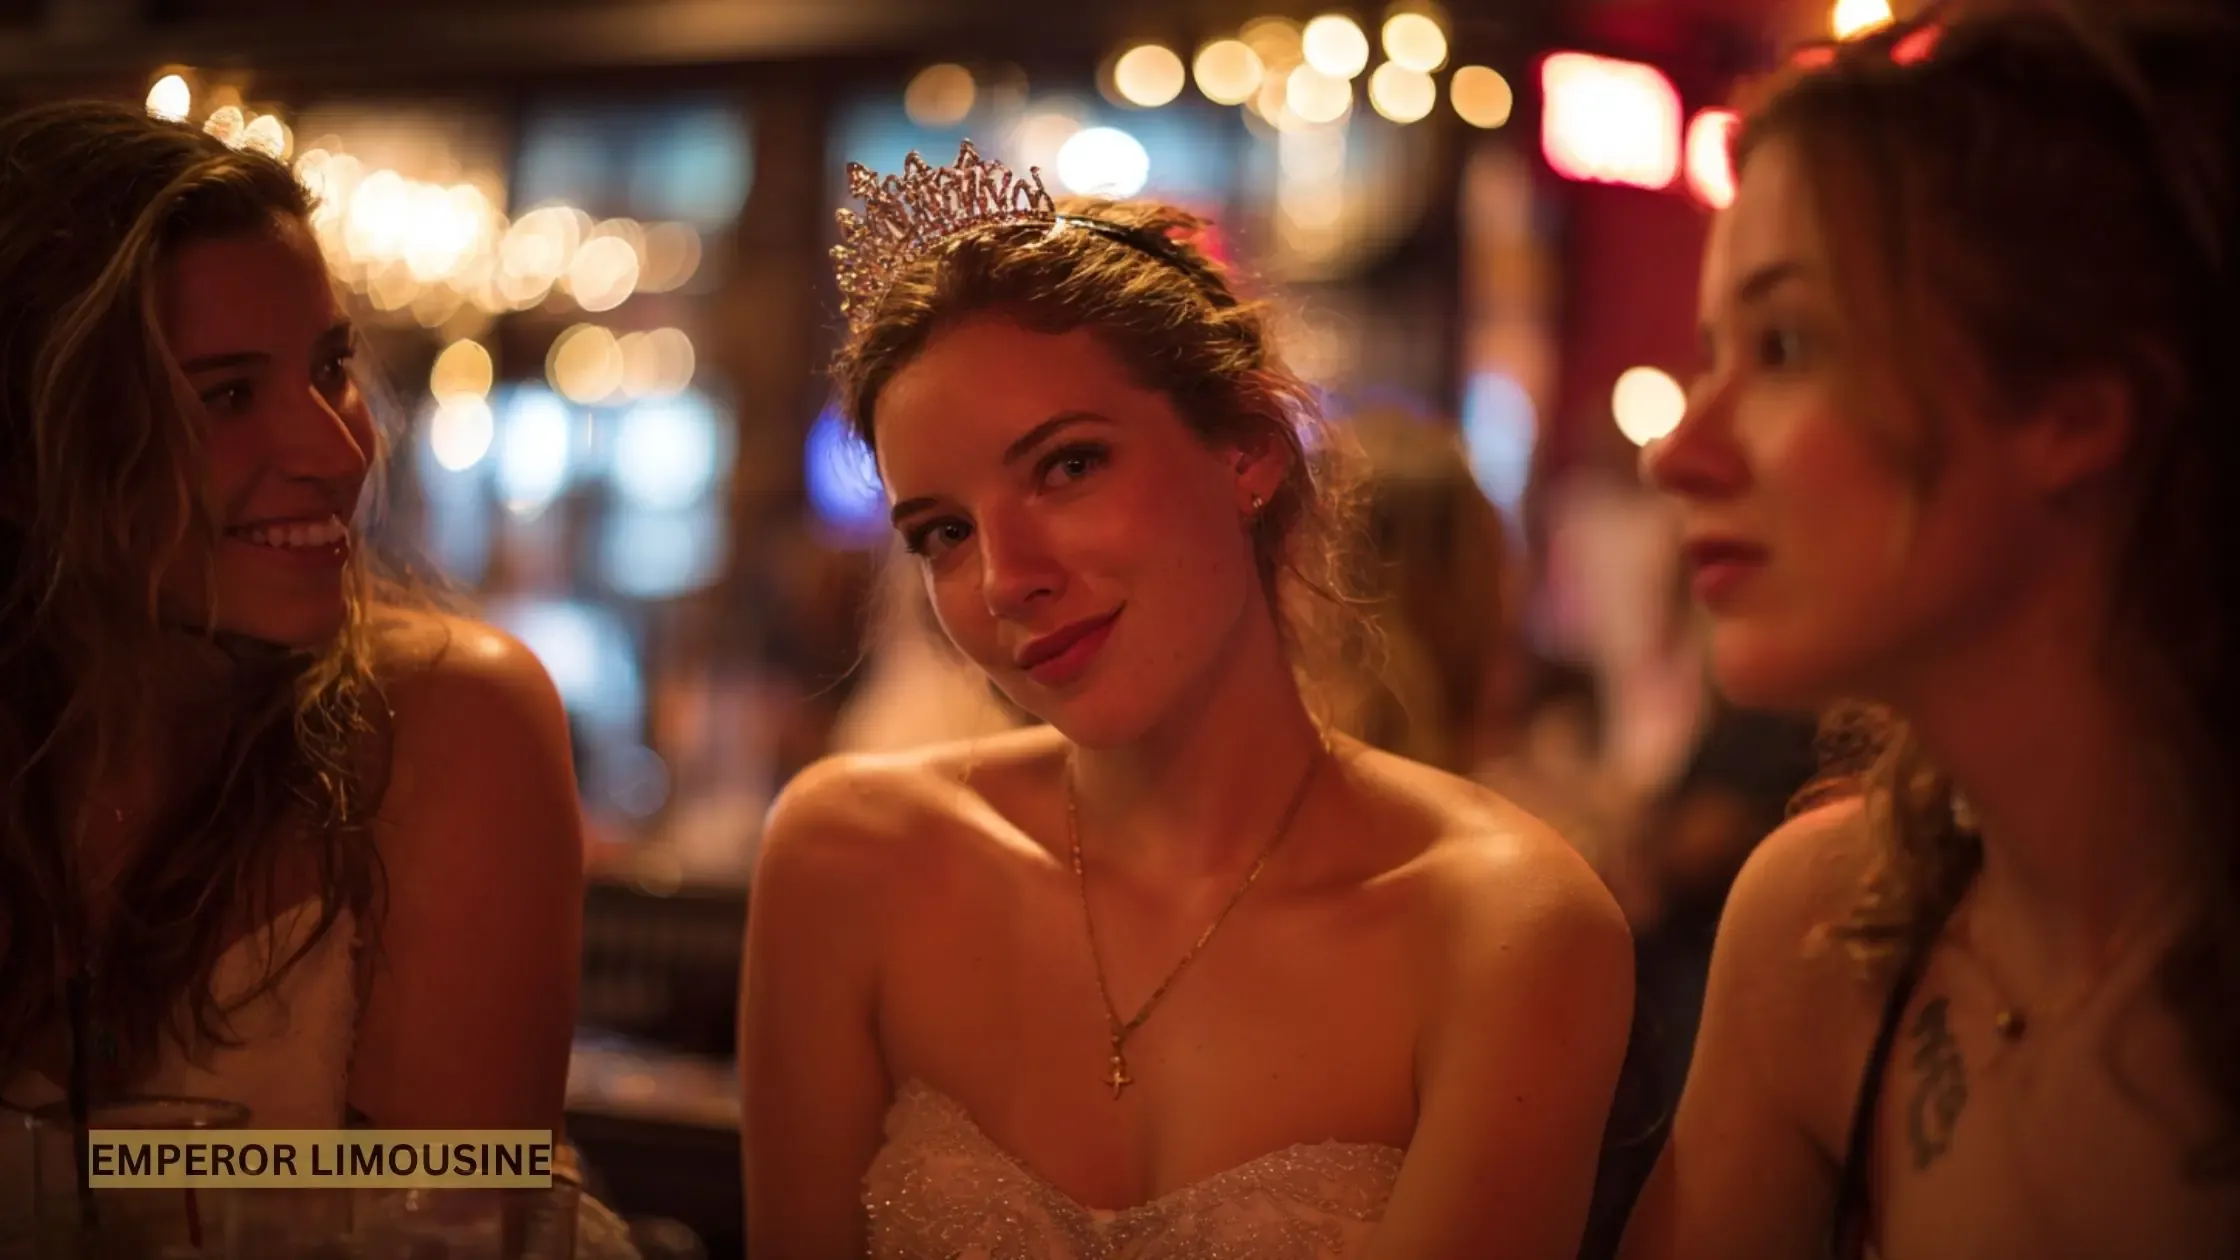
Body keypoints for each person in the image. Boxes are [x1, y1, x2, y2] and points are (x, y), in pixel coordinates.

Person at [740, 142, 1632, 1260]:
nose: (1006, 577)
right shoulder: (847, 862)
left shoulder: (1503, 925)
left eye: (1068, 466)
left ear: (1247, 452)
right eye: (944, 533)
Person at [1623, 5, 2240, 1258]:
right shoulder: (1821, 938)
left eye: (1784, 346)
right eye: (1708, 355)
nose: (1676, 453)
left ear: (2073, 410)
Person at [0, 99, 590, 1225]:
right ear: (27, 460)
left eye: (331, 369)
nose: (335, 448)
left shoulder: (449, 720)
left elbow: (455, 1209)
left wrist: (94, 1173)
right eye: (225, 395)